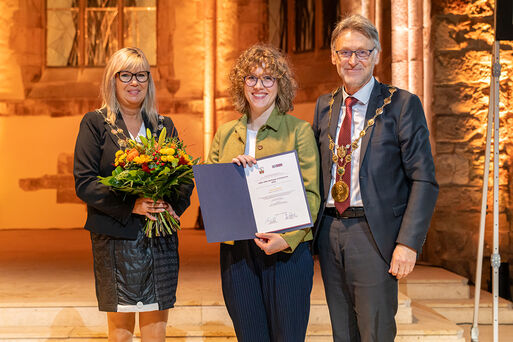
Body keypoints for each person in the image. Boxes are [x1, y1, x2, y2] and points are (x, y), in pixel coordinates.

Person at [312, 15, 438, 341]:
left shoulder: (401, 105)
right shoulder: (324, 106)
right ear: (333, 57)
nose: (352, 60)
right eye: (344, 52)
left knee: (375, 332)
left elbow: (424, 179)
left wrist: (408, 243)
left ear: (377, 54)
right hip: (329, 231)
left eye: (362, 52)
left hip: (374, 235)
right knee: (343, 332)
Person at [73, 47, 193, 342]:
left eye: (141, 75)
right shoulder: (96, 123)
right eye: (125, 75)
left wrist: (171, 205)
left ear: (149, 81)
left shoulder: (164, 125)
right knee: (122, 331)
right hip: (117, 239)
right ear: (112, 81)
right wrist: (133, 204)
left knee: (156, 329)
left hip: (160, 240)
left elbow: (184, 177)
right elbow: (85, 182)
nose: (134, 82)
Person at [207, 44, 320, 342]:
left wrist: (288, 238)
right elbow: (213, 196)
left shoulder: (299, 131)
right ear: (241, 84)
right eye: (251, 78)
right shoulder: (225, 134)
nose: (259, 86)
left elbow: (312, 194)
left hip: (287, 251)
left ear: (280, 84)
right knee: (249, 336)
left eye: (268, 78)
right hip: (238, 252)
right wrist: (229, 175)